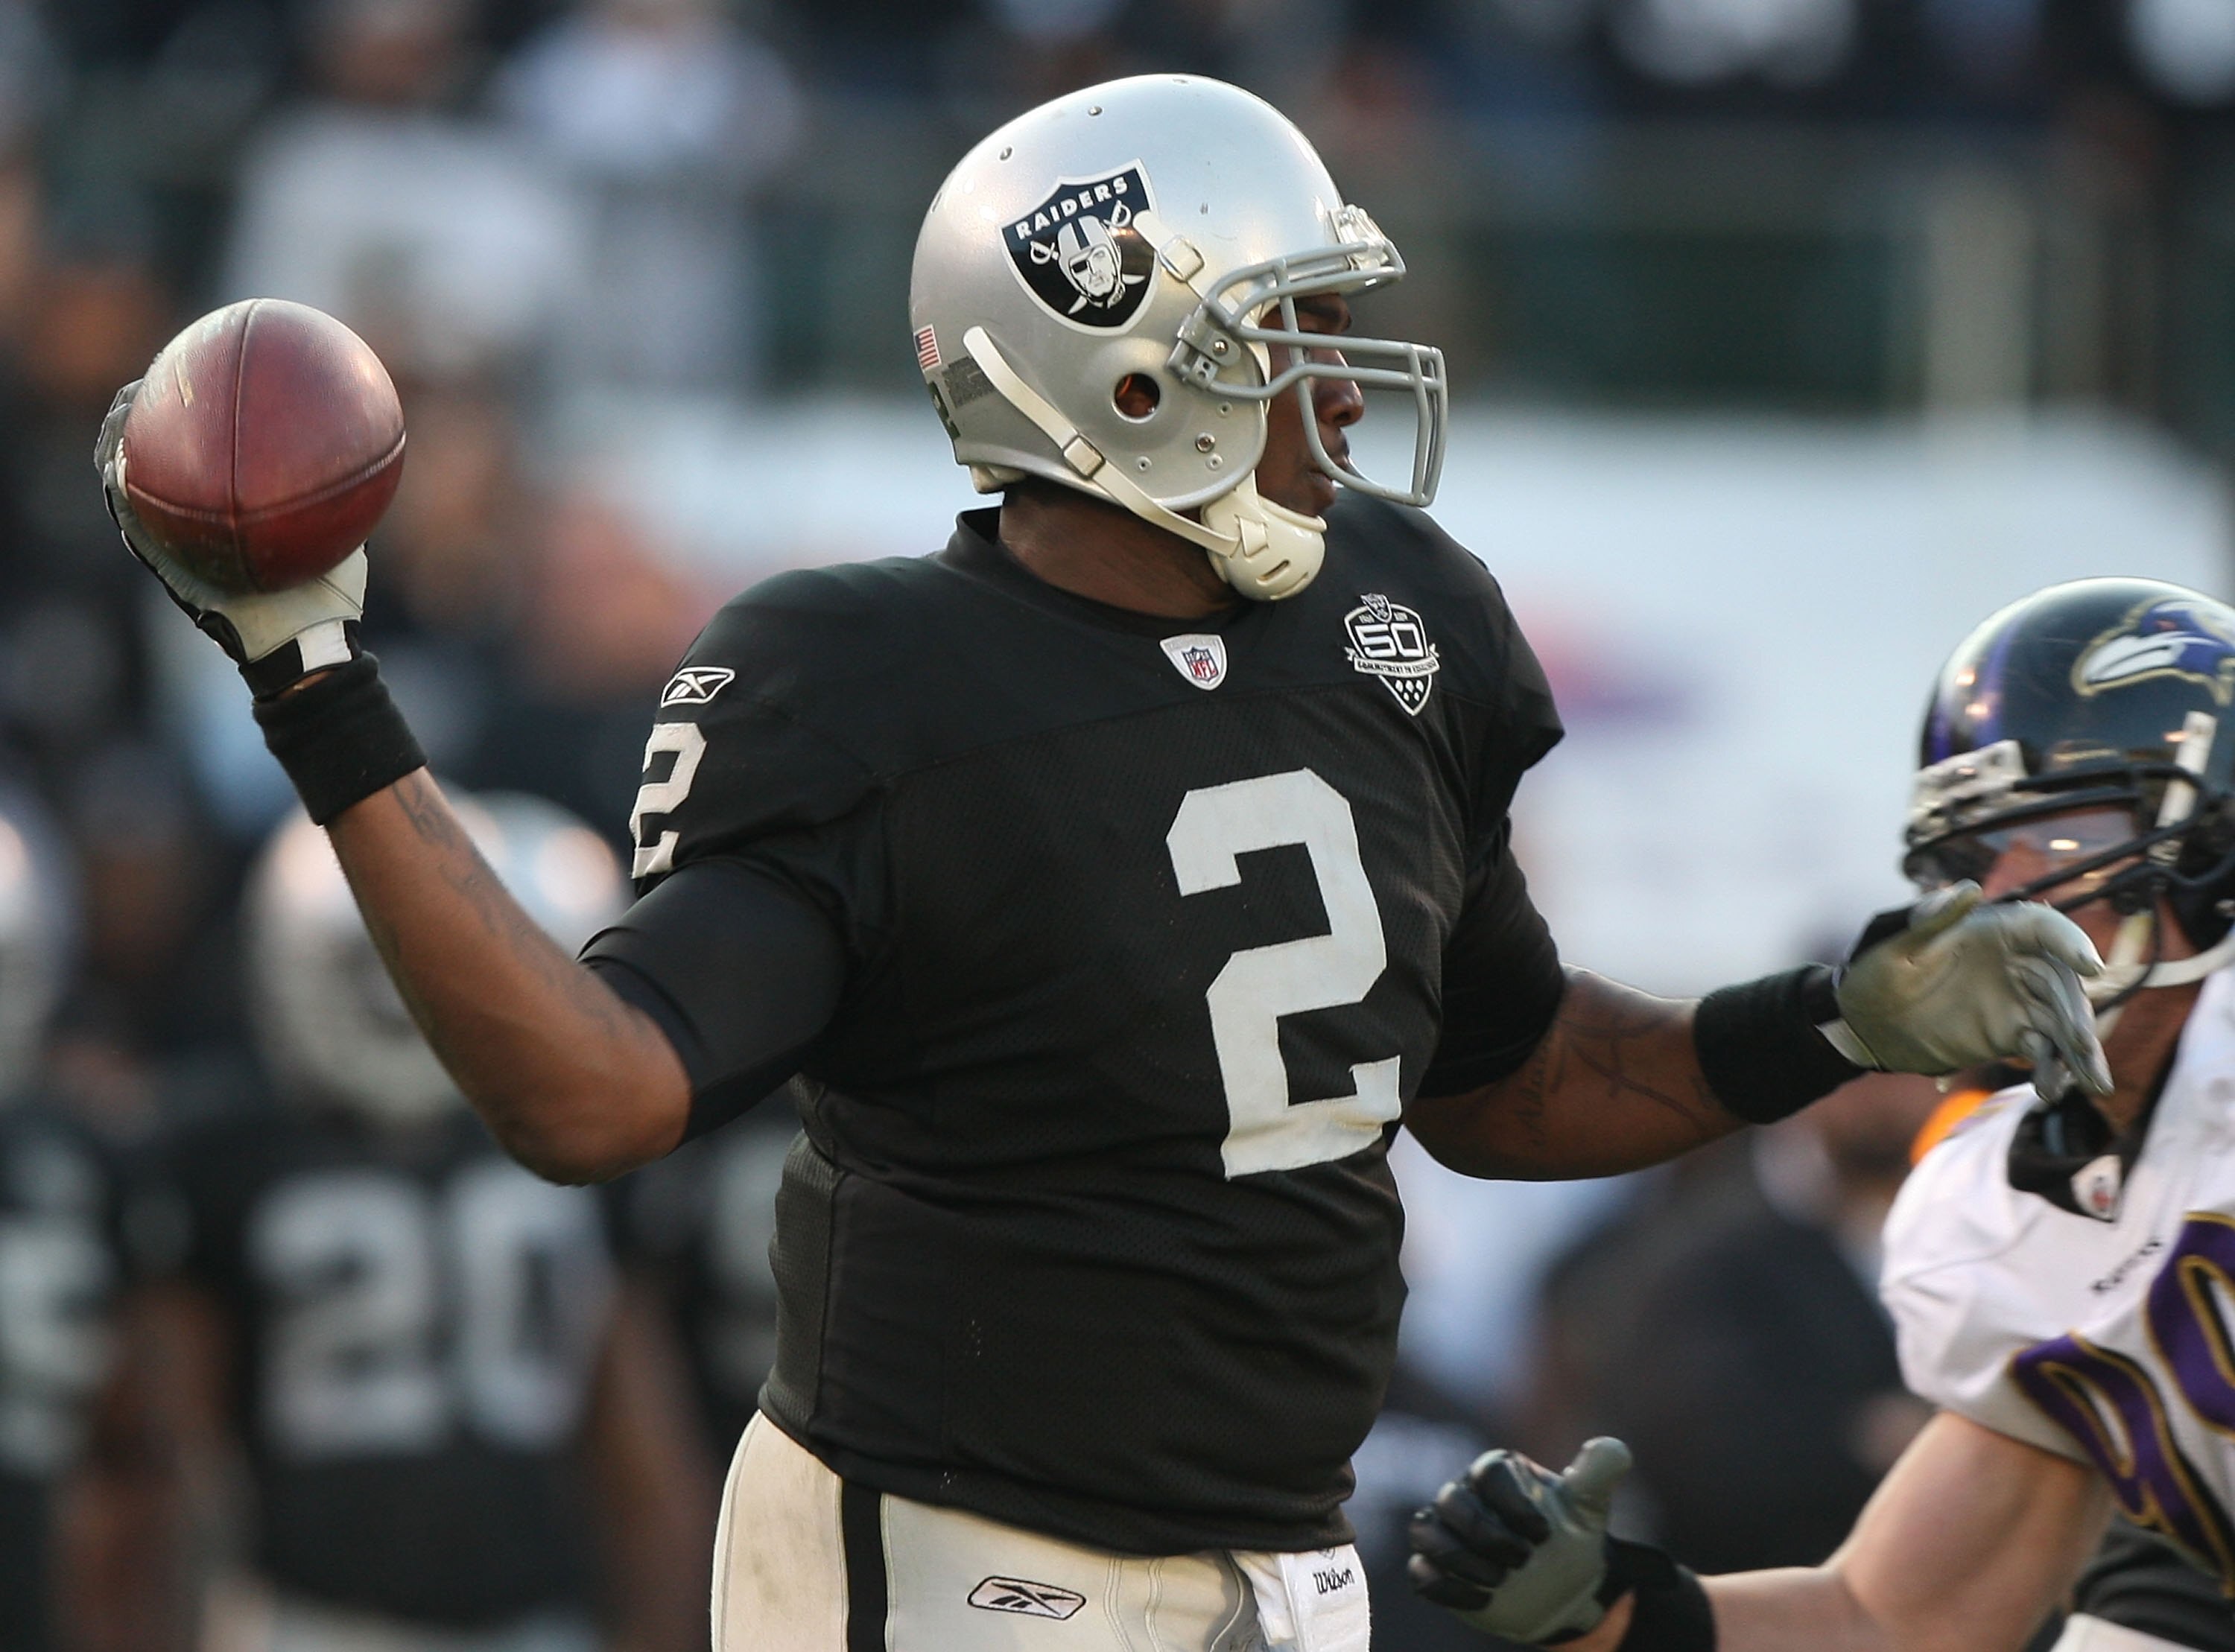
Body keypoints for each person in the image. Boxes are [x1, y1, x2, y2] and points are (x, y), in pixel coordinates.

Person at [97, 75, 2110, 1650]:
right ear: (1128, 375)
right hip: (966, 1560)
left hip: (1287, 1553)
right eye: (1289, 330)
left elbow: (1504, 1077)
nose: (1340, 382)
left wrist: (1824, 1018)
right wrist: (317, 684)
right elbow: (598, 1090)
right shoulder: (866, 674)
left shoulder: (1397, 618)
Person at [1404, 576, 2235, 1652]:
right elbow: (1894, 1612)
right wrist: (1606, 1606)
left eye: (2070, 832)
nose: (2012, 890)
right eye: (1981, 853)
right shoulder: (2027, 1198)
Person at [102, 793, 711, 1652]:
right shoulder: (229, 1155)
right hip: (316, 1611)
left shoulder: (230, 1149)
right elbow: (172, 1453)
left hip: (481, 1613)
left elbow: (634, 1444)